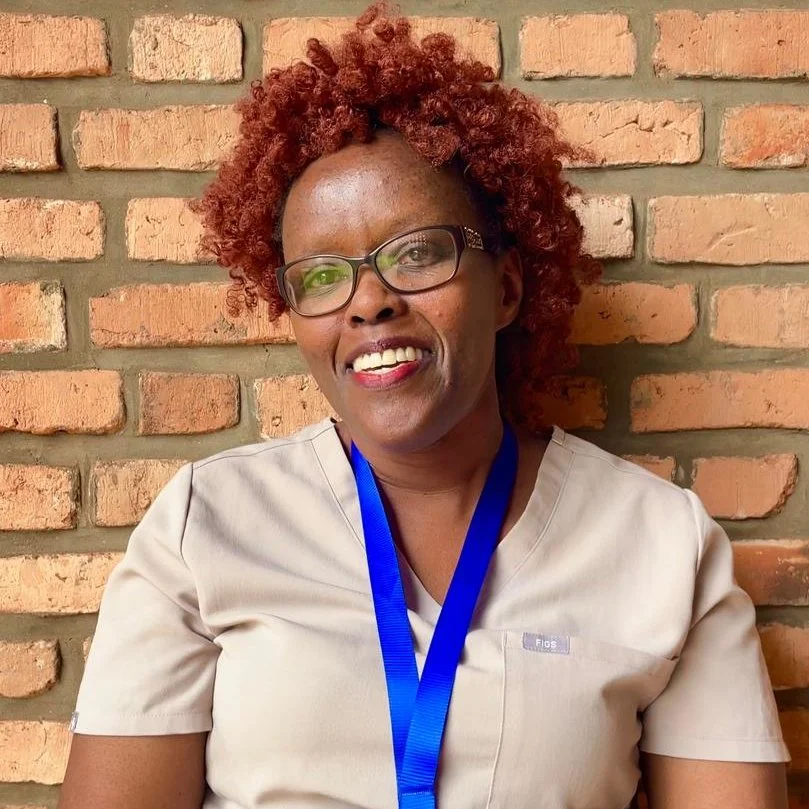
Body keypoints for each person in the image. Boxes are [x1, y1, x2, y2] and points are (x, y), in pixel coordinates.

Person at [57, 3, 790, 808]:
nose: (368, 302)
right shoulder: (205, 525)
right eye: (322, 276)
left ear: (505, 287)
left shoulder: (662, 545)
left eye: (416, 254)